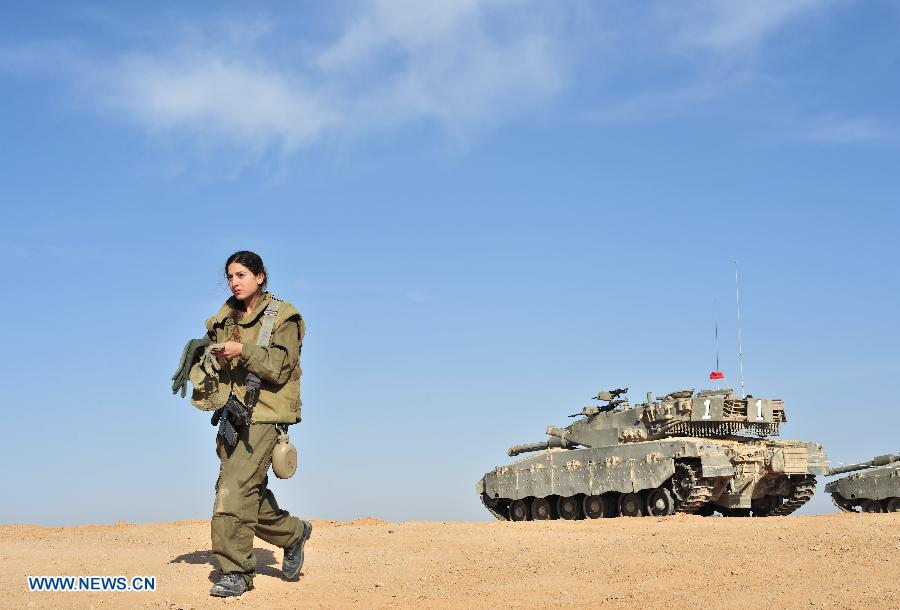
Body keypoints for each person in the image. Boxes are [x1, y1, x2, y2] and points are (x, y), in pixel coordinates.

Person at [173, 250, 312, 598]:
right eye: (230, 277)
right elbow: (219, 361)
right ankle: (293, 533)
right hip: (234, 415)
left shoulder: (284, 317)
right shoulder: (224, 320)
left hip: (267, 413)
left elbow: (279, 367)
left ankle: (236, 571)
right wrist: (204, 355)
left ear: (260, 277)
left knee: (232, 490)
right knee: (242, 489)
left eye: (242, 276)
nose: (235, 282)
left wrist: (242, 351)